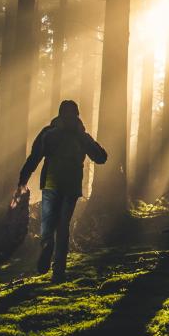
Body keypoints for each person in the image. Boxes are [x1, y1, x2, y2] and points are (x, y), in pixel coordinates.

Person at [18, 99, 107, 281]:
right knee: (63, 225)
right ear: (77, 115)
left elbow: (34, 157)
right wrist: (93, 144)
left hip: (51, 182)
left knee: (48, 223)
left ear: (59, 114)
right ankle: (58, 271)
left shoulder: (48, 133)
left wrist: (23, 180)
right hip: (71, 184)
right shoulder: (81, 136)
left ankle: (47, 245)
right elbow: (101, 158)